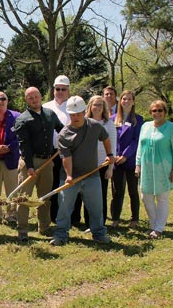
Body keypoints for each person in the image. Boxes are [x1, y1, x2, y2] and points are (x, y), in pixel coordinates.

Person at [50, 96, 114, 246]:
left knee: (96, 207)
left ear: (84, 111)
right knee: (65, 208)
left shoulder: (94, 126)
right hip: (69, 178)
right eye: (72, 115)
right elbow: (66, 157)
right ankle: (61, 234)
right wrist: (70, 175)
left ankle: (98, 233)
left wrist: (110, 154)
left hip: (92, 175)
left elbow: (105, 138)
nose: (76, 117)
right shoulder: (64, 134)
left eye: (78, 114)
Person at [14, 87, 64, 242]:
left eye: (36, 96)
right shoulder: (22, 120)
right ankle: (22, 229)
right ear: (26, 100)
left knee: (45, 197)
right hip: (29, 162)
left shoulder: (50, 114)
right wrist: (29, 166)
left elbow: (62, 129)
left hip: (48, 161)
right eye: (30, 98)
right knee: (23, 198)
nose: (34, 100)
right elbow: (24, 145)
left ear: (41, 97)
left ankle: (44, 226)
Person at [135, 100, 173, 239]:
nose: (157, 113)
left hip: (164, 167)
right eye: (154, 110)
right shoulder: (145, 126)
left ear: (164, 112)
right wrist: (138, 165)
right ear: (150, 112)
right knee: (145, 196)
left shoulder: (171, 128)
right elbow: (140, 146)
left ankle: (159, 228)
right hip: (147, 167)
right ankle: (153, 224)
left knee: (162, 198)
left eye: (160, 110)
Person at [77, 96, 116, 230]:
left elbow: (113, 146)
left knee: (101, 196)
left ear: (104, 107)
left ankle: (100, 223)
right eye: (95, 105)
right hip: (88, 165)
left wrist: (110, 168)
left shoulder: (109, 124)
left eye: (100, 105)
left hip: (102, 165)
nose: (98, 107)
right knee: (87, 196)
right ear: (90, 107)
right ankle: (89, 224)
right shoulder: (85, 123)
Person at [110, 90, 143, 229]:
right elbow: (111, 139)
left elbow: (136, 140)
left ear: (133, 101)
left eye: (129, 99)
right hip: (116, 161)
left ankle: (134, 219)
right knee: (117, 191)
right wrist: (115, 155)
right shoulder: (112, 119)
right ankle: (115, 219)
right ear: (120, 101)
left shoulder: (138, 119)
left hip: (130, 160)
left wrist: (125, 155)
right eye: (124, 98)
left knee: (132, 191)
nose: (126, 101)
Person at [0, 92, 20, 225]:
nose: (0, 101)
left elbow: (21, 136)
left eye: (3, 99)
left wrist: (10, 147)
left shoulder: (17, 116)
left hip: (11, 159)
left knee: (12, 189)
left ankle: (11, 216)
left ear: (7, 101)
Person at [43, 75, 71, 224]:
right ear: (53, 90)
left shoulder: (73, 106)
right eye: (57, 89)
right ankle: (52, 216)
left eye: (63, 89)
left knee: (67, 184)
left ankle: (71, 217)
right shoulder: (46, 107)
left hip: (68, 153)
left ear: (68, 90)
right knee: (51, 185)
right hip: (50, 152)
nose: (60, 92)